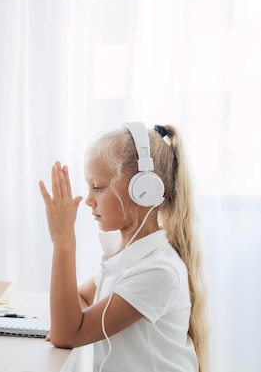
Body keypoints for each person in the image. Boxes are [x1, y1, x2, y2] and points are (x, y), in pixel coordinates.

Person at [39, 122, 209, 372]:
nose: (87, 200)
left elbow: (68, 335)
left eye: (97, 187)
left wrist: (64, 240)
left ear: (143, 191)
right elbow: (83, 297)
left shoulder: (158, 271)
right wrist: (70, 322)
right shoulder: (129, 255)